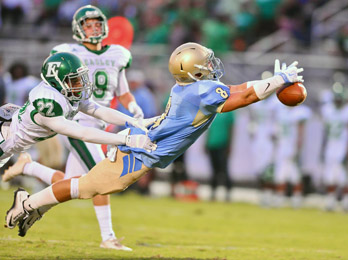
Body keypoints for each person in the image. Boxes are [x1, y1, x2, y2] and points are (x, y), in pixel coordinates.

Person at [5, 42, 304, 243]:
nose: (212, 66)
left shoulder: (193, 88)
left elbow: (237, 89)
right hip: (140, 151)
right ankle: (29, 203)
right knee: (84, 187)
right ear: (193, 69)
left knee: (84, 185)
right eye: (206, 63)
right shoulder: (200, 92)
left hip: (145, 148)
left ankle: (34, 202)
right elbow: (245, 96)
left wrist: (275, 80)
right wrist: (278, 82)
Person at [3, 5, 145, 251]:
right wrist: (124, 141)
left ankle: (29, 179)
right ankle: (105, 236)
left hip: (20, 139)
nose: (82, 83)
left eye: (81, 77)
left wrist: (132, 119)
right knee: (101, 178)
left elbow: (98, 109)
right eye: (76, 79)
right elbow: (81, 132)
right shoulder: (51, 101)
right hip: (11, 139)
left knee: (75, 182)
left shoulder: (71, 90)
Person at [273, 103, 312, 208]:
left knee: (295, 174)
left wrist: (299, 147)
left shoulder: (300, 112)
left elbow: (300, 131)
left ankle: (297, 199)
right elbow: (277, 130)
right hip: (282, 147)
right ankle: (280, 198)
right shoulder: (281, 111)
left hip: (292, 147)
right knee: (281, 173)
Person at [321, 88, 348, 211]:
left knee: (343, 175)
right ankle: (330, 200)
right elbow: (326, 131)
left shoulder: (345, 111)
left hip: (343, 145)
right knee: (330, 174)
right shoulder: (328, 110)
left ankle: (345, 201)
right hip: (331, 145)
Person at [205, 111, 235, 201]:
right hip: (212, 144)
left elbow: (231, 128)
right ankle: (213, 193)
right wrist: (206, 143)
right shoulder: (213, 110)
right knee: (214, 170)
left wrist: (229, 145)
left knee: (224, 170)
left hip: (223, 144)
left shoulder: (229, 111)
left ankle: (228, 193)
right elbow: (208, 128)